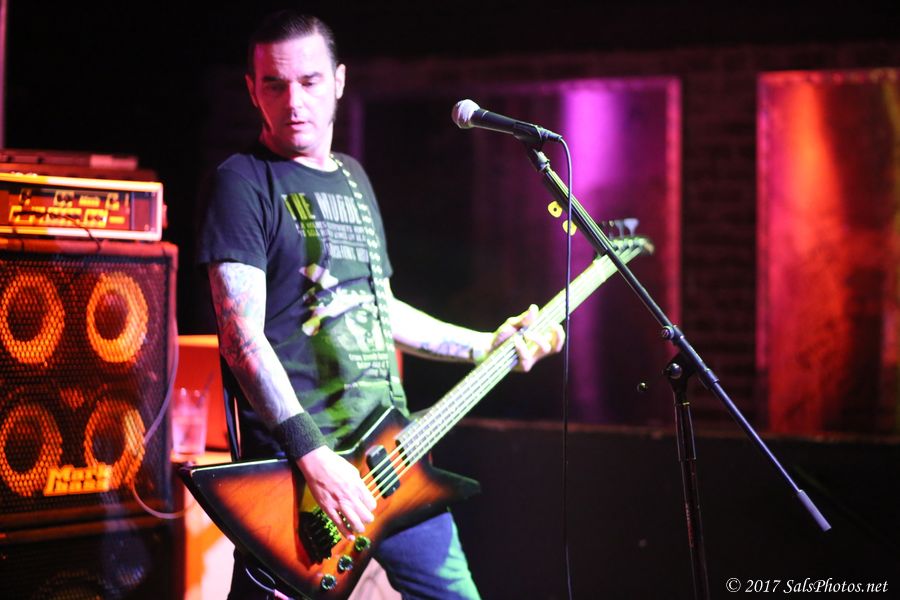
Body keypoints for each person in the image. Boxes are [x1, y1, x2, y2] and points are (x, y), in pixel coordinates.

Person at [196, 10, 564, 600]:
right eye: (274, 84)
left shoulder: (353, 178)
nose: (294, 101)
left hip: (393, 455)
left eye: (309, 81)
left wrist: (481, 344)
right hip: (303, 481)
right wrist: (313, 455)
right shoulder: (241, 182)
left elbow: (379, 308)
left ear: (339, 80)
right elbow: (242, 340)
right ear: (252, 89)